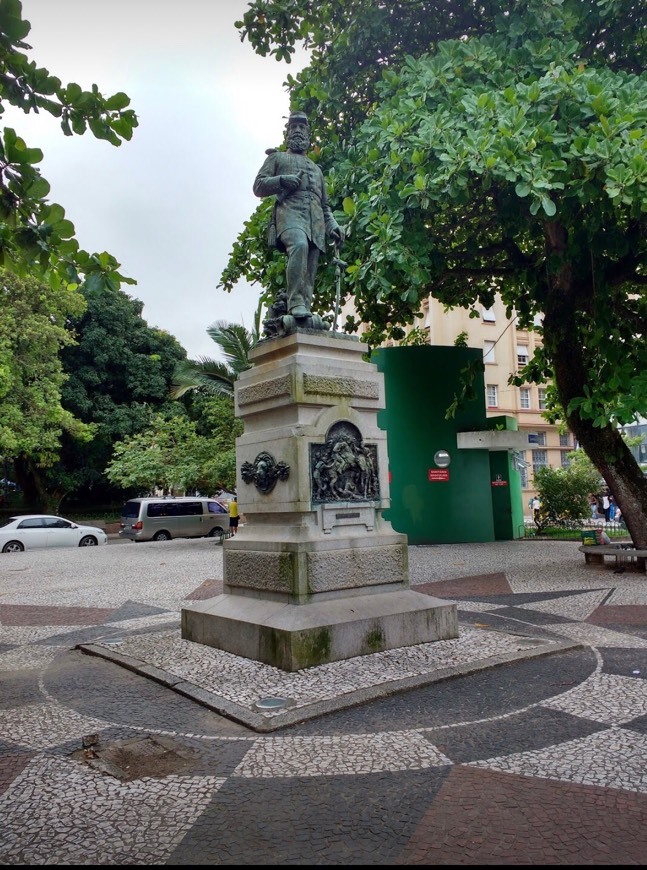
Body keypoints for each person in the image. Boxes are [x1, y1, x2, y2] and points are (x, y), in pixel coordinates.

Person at [253, 111, 344, 321]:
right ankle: (295, 303)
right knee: (299, 245)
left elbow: (325, 206)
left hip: (316, 221)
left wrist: (333, 226)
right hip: (289, 213)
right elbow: (258, 186)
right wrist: (283, 180)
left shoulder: (317, 169)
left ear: (309, 135)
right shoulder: (277, 158)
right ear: (287, 133)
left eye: (302, 128)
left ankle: (304, 308)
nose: (297, 131)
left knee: (311, 265)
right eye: (293, 127)